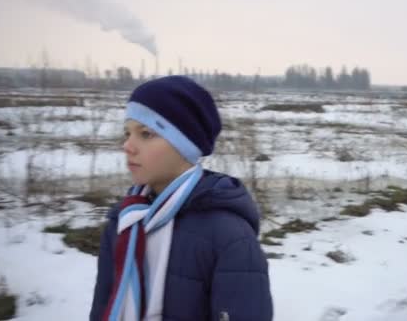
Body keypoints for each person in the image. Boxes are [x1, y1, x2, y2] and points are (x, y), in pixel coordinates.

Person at [89, 76, 273, 321]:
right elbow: (103, 307)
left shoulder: (230, 236)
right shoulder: (122, 223)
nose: (127, 146)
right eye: (127, 133)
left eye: (145, 134)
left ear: (184, 145)